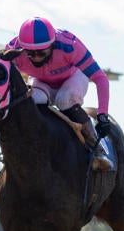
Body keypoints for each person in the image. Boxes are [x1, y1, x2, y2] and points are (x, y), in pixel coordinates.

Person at [6, 17, 112, 171]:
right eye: (30, 54)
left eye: (41, 52)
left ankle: (98, 148)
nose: (36, 58)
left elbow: (100, 78)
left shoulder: (70, 46)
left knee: (64, 99)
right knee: (27, 101)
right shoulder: (14, 51)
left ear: (53, 44)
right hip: (41, 81)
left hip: (74, 77)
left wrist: (103, 115)